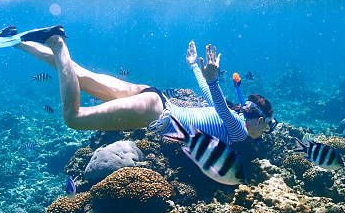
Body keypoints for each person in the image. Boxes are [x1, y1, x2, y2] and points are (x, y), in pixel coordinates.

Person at [16, 27, 276, 143]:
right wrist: (210, 79)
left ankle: (20, 42)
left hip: (155, 97)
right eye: (268, 126)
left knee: (81, 75)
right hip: (155, 112)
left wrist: (194, 67)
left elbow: (210, 96)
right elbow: (216, 101)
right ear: (259, 120)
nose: (265, 132)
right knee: (73, 118)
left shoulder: (233, 113)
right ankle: (57, 42)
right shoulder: (239, 132)